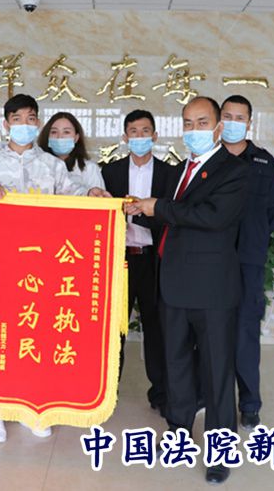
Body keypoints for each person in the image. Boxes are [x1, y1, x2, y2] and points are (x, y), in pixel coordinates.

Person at [0, 93, 107, 443]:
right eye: (17, 119)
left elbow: (72, 199)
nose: (24, 125)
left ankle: (31, 409)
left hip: (41, 266)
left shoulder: (52, 165)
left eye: (30, 119)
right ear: (6, 123)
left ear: (37, 123)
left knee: (34, 334)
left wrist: (92, 196)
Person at [125, 96, 248, 484]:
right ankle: (178, 431)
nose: (194, 130)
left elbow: (212, 217)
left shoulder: (235, 170)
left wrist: (157, 207)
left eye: (202, 122)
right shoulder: (181, 169)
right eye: (188, 123)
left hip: (212, 290)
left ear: (218, 127)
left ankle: (219, 452)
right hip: (173, 283)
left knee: (216, 371)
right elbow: (170, 220)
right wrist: (137, 210)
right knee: (175, 363)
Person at [220, 94, 274, 430]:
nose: (233, 123)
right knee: (207, 332)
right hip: (209, 261)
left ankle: (249, 403)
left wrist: (253, 234)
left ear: (249, 123)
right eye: (227, 116)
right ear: (218, 121)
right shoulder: (207, 159)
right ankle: (207, 396)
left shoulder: (265, 163)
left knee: (245, 332)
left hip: (248, 260)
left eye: (239, 118)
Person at [101, 109, 171, 416]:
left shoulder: (170, 174)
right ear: (124, 137)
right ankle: (107, 391)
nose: (139, 137)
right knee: (113, 328)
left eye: (145, 131)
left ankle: (161, 393)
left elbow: (170, 218)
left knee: (157, 329)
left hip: (154, 262)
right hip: (119, 261)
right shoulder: (110, 172)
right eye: (133, 131)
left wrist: (141, 212)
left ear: (155, 136)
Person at [37, 111, 104, 193]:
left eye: (66, 132)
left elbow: (99, 198)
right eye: (54, 132)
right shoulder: (37, 166)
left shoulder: (90, 169)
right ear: (47, 137)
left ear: (76, 138)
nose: (60, 137)